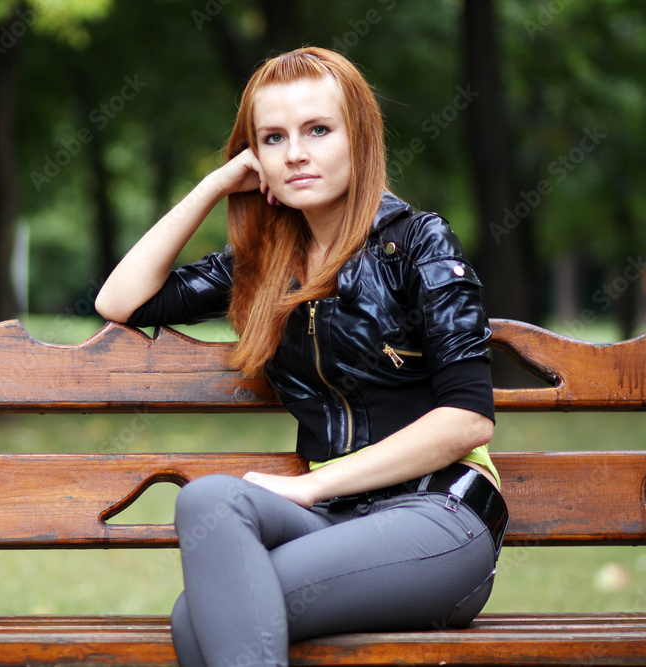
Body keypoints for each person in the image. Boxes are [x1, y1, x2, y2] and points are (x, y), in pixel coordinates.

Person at [95, 46, 508, 667]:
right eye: (273, 138)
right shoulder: (262, 268)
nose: (294, 153)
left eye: (318, 130)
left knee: (197, 621)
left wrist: (314, 486)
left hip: (438, 514)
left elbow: (468, 419)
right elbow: (119, 300)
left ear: (359, 137)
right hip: (336, 521)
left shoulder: (419, 243)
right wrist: (214, 184)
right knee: (205, 501)